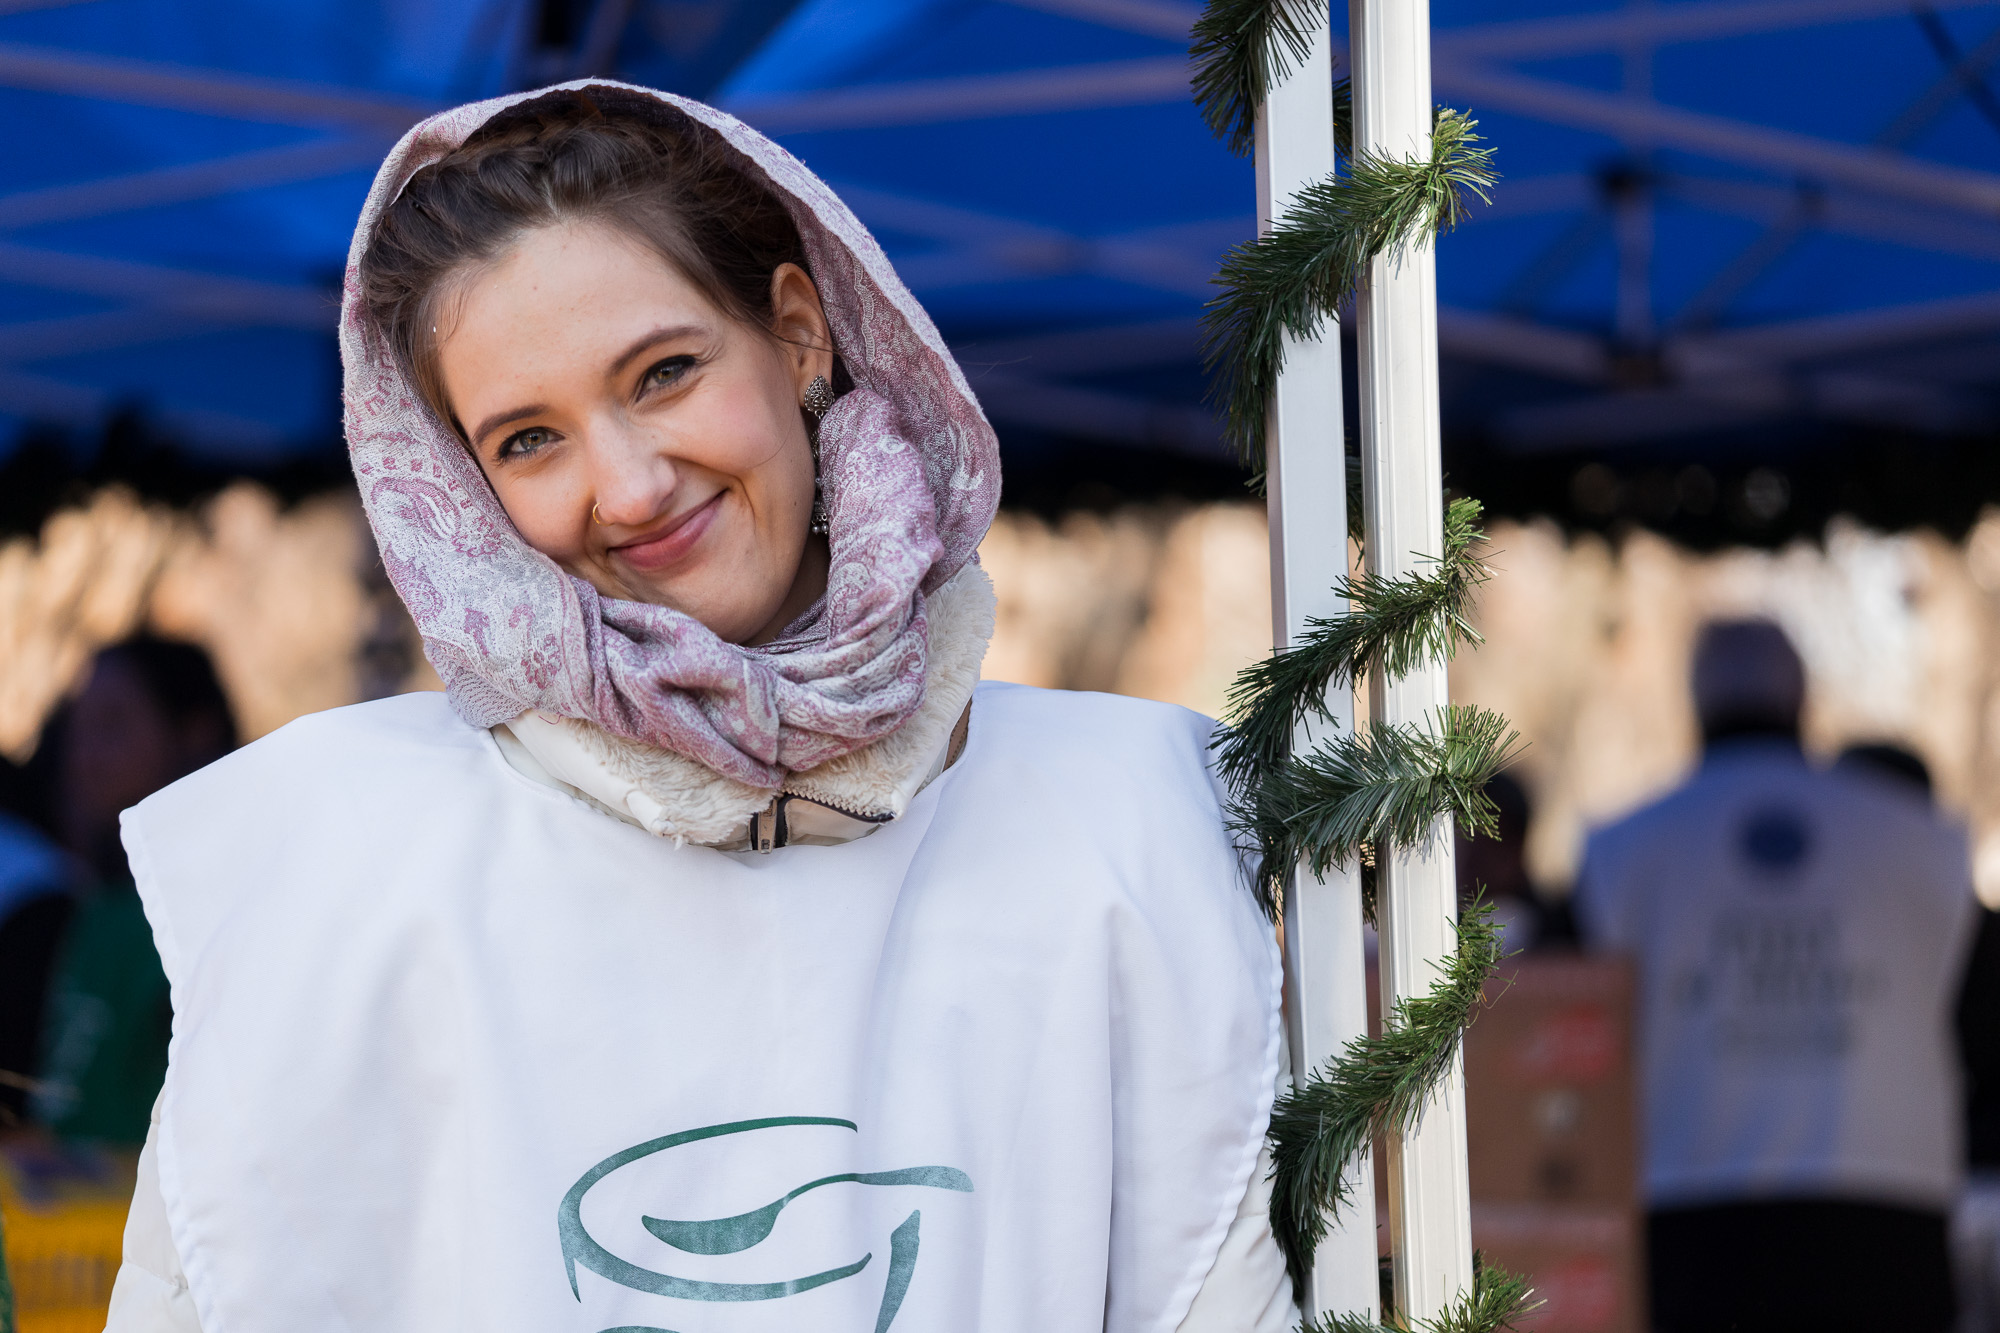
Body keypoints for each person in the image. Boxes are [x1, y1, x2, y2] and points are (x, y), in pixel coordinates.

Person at [103, 84, 1289, 1332]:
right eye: (527, 440)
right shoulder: (336, 868)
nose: (627, 488)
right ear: (460, 489)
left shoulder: (1123, 824)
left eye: (663, 373)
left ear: (797, 335)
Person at [1574, 619, 1975, 1333]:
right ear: (1802, 701)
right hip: (1887, 1215)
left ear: (1695, 704)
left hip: (1696, 1215)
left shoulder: (1622, 848)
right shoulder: (1923, 842)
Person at [0, 637, 234, 1143]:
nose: (83, 758)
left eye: (112, 725)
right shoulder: (89, 911)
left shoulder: (229, 918)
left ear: (195, 731)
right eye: (77, 732)